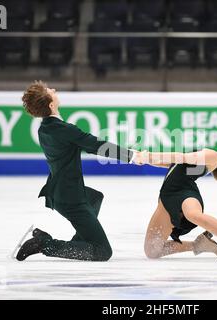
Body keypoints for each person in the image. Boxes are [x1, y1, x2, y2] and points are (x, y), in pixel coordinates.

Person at [15, 81, 139, 261]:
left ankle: (77, 245)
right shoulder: (63, 130)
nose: (54, 90)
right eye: (51, 91)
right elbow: (95, 145)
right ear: (51, 104)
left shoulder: (45, 128)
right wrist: (132, 156)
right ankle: (45, 244)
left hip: (60, 191)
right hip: (70, 199)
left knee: (95, 197)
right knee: (102, 251)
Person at [134, 148, 217, 262]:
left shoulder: (212, 156)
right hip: (167, 197)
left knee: (192, 214)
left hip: (185, 193)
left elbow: (181, 157)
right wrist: (145, 159)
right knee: (152, 251)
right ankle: (197, 245)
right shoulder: (208, 157)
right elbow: (174, 163)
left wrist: (147, 155)